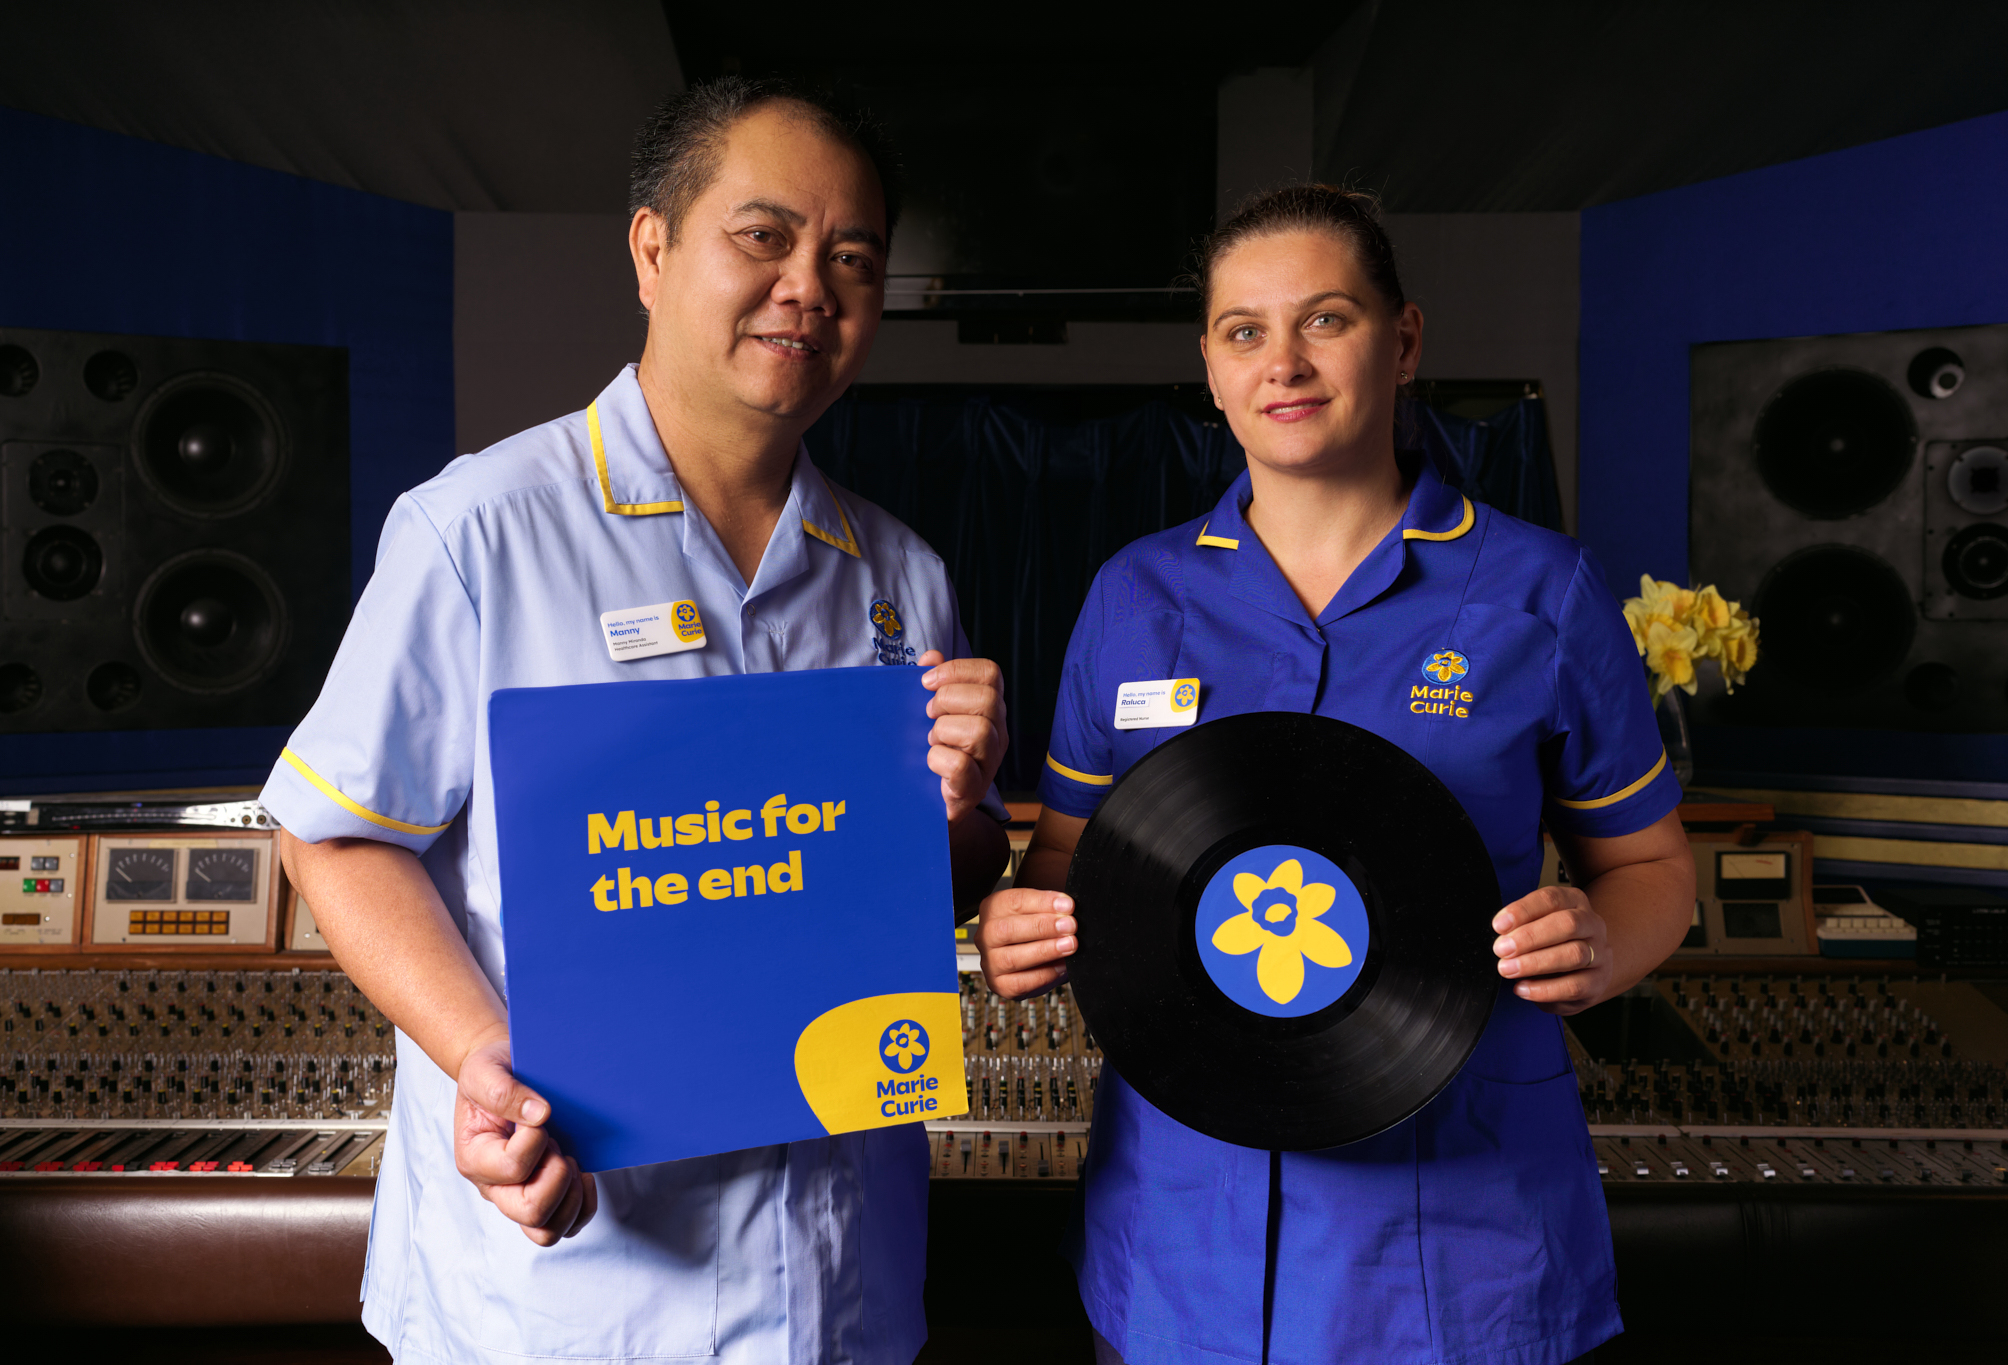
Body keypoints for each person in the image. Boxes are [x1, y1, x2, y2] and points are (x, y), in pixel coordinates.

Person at [266, 78, 1011, 1365]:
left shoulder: (904, 576)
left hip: (841, 1281)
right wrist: (486, 1061)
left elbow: (943, 881)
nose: (807, 289)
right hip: (570, 1297)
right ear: (651, 247)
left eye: (851, 259)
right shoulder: (478, 529)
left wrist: (951, 813)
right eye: (763, 236)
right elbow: (335, 838)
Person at [974, 185, 1696, 1365]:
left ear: (1402, 340)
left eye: (1327, 319)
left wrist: (1607, 941)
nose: (1284, 362)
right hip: (1176, 1251)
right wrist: (1023, 920)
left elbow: (1653, 866)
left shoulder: (1542, 593)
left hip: (1462, 1253)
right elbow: (1067, 859)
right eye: (1244, 331)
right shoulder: (1131, 596)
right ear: (1207, 368)